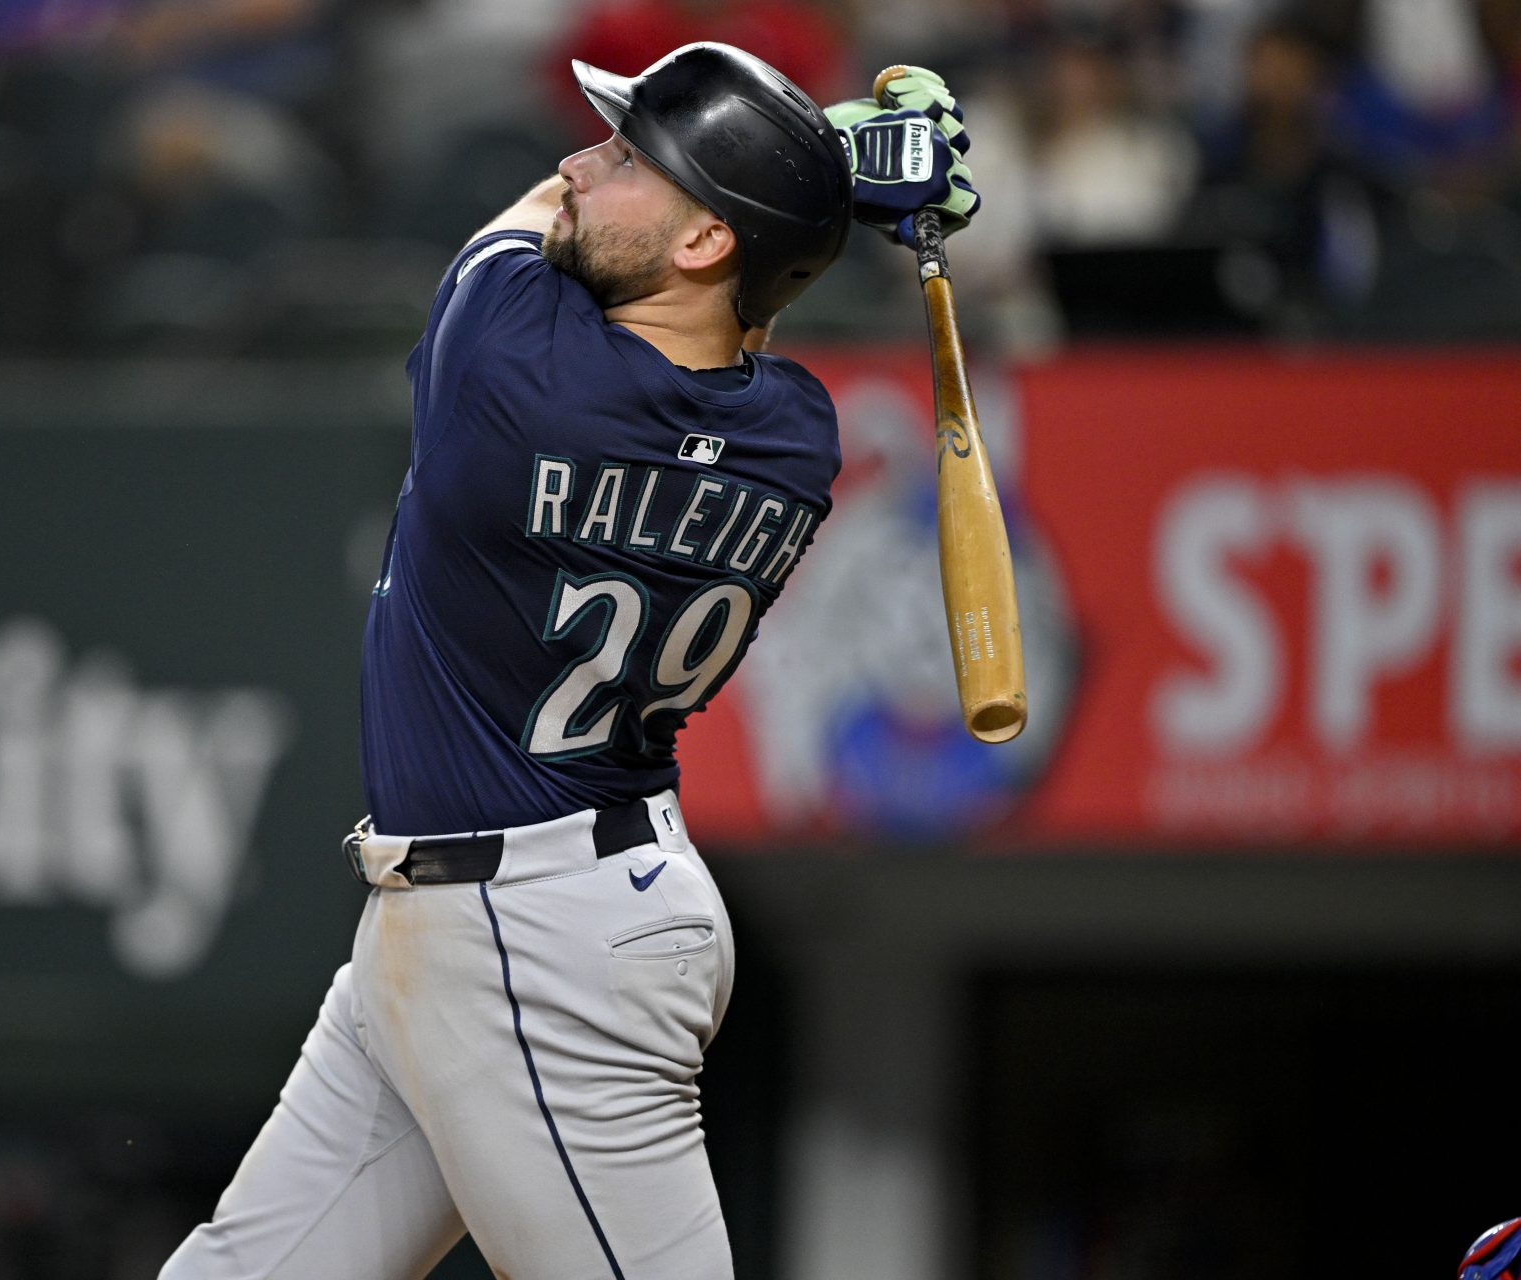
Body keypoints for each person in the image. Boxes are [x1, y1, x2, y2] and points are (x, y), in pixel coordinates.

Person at [160, 42, 977, 1280]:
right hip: (506, 911)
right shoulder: (795, 437)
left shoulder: (512, 367)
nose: (578, 163)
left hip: (538, 940)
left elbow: (536, 226)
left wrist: (829, 162)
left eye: (627, 156)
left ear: (706, 240)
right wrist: (826, 181)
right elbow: (716, 300)